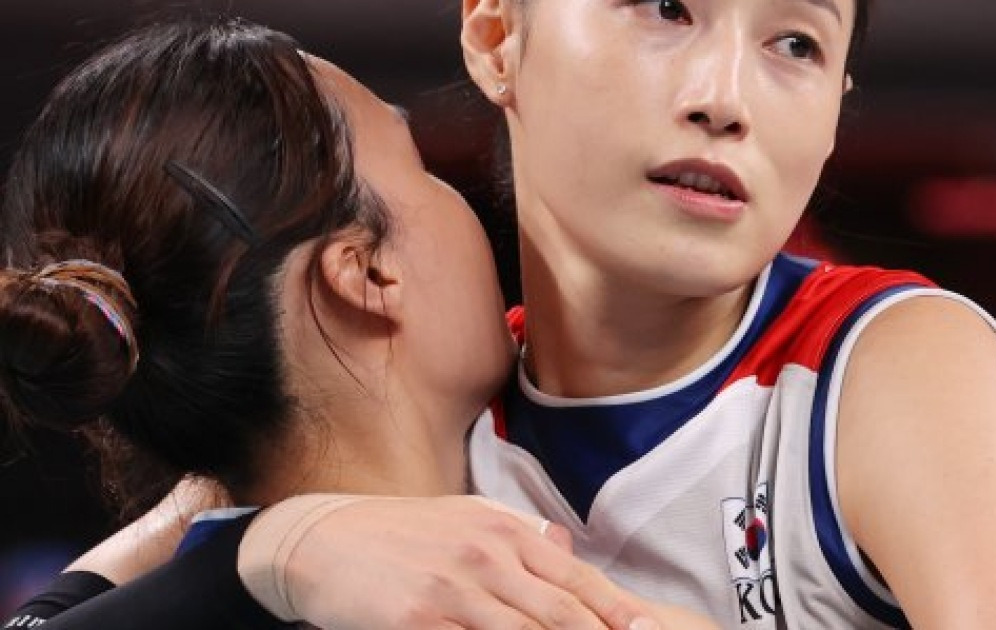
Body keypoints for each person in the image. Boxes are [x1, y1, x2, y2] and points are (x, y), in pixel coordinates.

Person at [9, 0, 996, 628]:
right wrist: (283, 541)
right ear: (498, 36)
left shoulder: (883, 365)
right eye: (666, 6)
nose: (725, 99)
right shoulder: (392, 438)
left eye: (797, 44)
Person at [0, 17, 706, 630]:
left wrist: (269, 541)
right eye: (420, 167)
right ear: (368, 274)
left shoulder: (207, 579)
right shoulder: (523, 601)